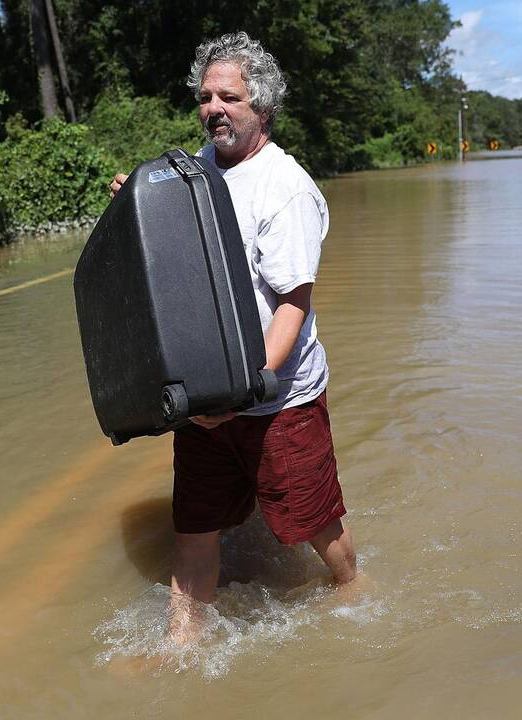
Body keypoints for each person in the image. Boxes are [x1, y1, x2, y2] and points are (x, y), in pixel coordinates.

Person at [109, 31, 359, 643]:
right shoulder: (193, 173)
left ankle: (357, 592)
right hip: (207, 398)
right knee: (193, 526)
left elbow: (291, 310)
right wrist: (132, 209)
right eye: (205, 96)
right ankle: (180, 647)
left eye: (230, 98)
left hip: (278, 398)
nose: (213, 108)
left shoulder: (285, 187)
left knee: (312, 523)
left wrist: (245, 393)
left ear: (263, 108)